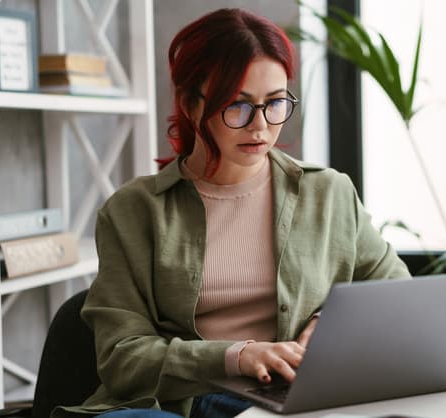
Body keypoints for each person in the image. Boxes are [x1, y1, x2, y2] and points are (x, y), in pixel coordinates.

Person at [57, 7, 410, 418]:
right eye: (237, 106)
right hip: (177, 405)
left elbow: (395, 294)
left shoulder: (328, 193)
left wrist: (330, 320)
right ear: (190, 104)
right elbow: (122, 358)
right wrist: (236, 357)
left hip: (294, 399)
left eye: (275, 103)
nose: (259, 126)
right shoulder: (133, 212)